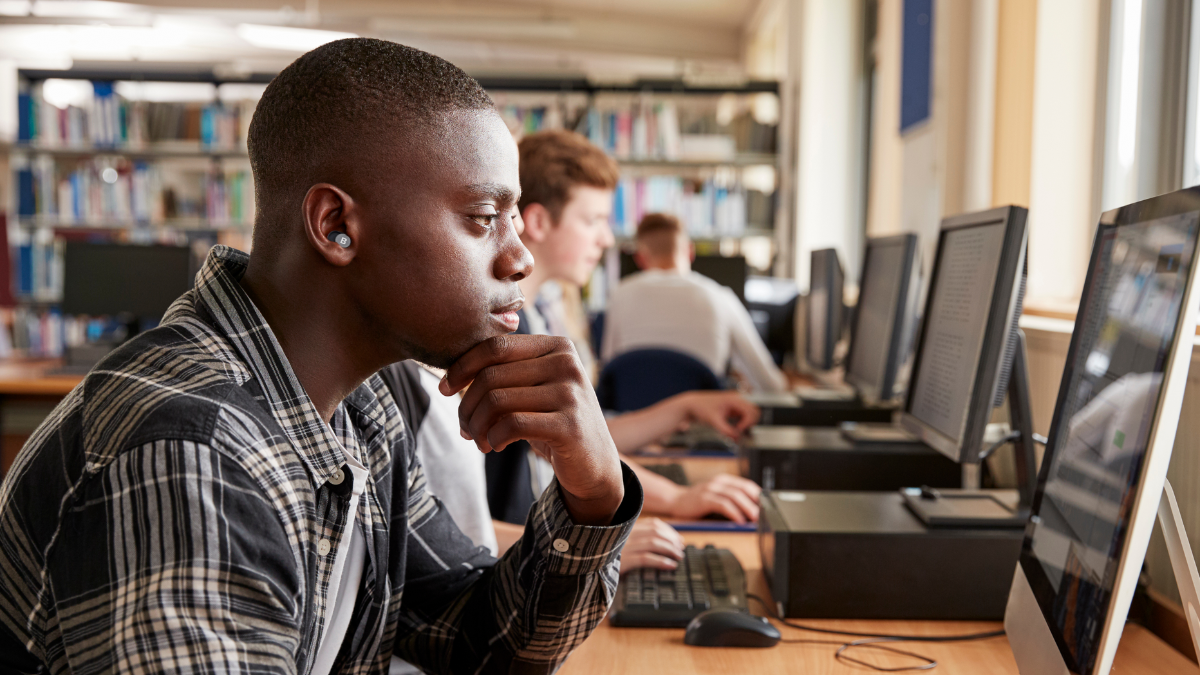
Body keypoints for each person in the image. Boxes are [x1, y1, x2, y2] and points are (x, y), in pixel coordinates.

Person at [0, 39, 641, 674]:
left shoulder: (361, 409)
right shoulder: (189, 447)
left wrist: (593, 493)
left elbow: (479, 641)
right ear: (336, 225)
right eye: (482, 216)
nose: (520, 258)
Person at [482, 130, 763, 564]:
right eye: (593, 220)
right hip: (514, 565)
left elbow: (584, 438)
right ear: (537, 222)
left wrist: (685, 409)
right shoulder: (505, 337)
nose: (607, 239)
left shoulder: (530, 321)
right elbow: (460, 528)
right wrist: (597, 546)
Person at [603, 212, 789, 393]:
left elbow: (608, 369)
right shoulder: (721, 297)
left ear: (640, 258)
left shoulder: (618, 295)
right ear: (690, 251)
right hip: (704, 422)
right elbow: (770, 384)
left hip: (635, 422)